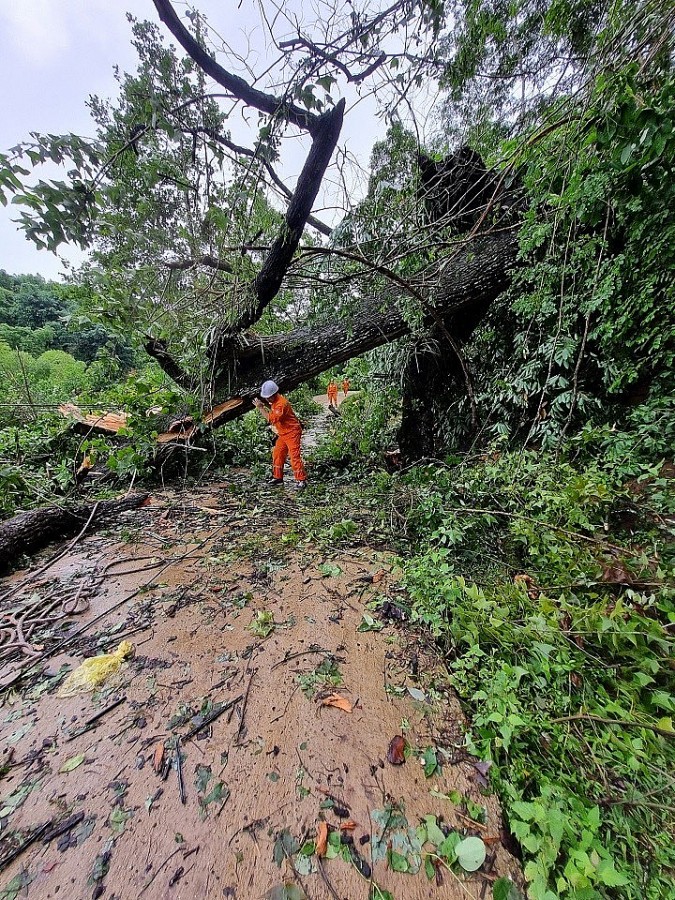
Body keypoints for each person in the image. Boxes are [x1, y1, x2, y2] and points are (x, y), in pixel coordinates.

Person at [253, 380, 307, 490]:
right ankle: (278, 477)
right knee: (278, 453)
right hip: (283, 433)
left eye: (268, 397)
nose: (267, 399)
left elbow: (271, 419)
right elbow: (272, 409)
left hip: (292, 432)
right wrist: (266, 405)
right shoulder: (274, 402)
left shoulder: (281, 404)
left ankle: (301, 480)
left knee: (294, 456)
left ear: (274, 394)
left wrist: (260, 408)